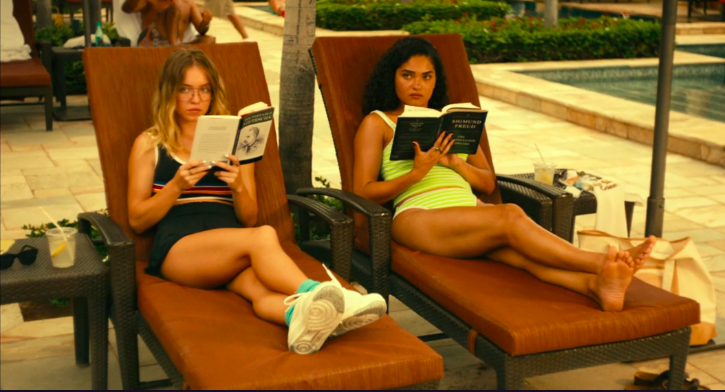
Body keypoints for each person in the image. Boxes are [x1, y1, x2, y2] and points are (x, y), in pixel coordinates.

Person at [353, 37, 657, 312]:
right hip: (417, 215)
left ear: (436, 82)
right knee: (510, 214)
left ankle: (596, 286)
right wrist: (417, 173)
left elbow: (487, 183)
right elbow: (363, 191)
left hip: (468, 209)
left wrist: (455, 164)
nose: (417, 85)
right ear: (392, 77)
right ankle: (601, 261)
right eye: (407, 75)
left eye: (426, 77)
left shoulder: (452, 121)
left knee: (518, 254)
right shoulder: (377, 123)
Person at [128, 48, 386, 354]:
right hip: (180, 248)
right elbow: (137, 220)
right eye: (185, 89)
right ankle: (327, 295)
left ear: (213, 93)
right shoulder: (150, 143)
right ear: (170, 91)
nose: (196, 99)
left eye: (204, 90)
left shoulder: (237, 139)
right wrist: (175, 187)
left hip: (232, 247)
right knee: (264, 235)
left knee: (258, 290)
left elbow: (248, 217)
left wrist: (237, 185)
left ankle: (304, 320)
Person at [122, 0, 214, 47]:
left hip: (178, 46)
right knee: (174, 10)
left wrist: (206, 22)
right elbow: (126, 8)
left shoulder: (188, 4)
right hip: (152, 42)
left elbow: (201, 30)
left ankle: (175, 49)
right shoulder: (150, 0)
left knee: (209, 40)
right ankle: (174, 48)